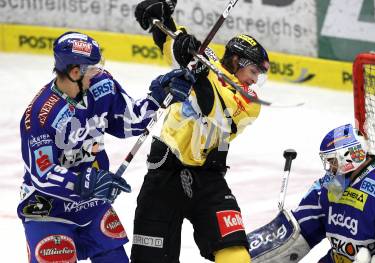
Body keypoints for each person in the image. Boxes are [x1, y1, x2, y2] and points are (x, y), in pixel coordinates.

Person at [17, 31, 195, 263]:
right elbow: (42, 174)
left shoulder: (102, 85)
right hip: (48, 210)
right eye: (91, 68)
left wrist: (160, 96)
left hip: (91, 205)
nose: (97, 72)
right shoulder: (41, 116)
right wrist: (85, 182)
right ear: (74, 73)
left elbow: (130, 121)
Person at [130, 1, 270, 262]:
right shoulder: (204, 59)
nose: (255, 80)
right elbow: (171, 45)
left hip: (208, 179)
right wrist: (161, 20)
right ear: (237, 61)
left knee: (236, 253)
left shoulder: (249, 102)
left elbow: (213, 108)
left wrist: (199, 72)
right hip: (164, 172)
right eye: (253, 72)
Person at [248, 124, 375, 263]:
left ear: (348, 156)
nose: (330, 167)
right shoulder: (335, 182)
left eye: (332, 161)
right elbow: (303, 224)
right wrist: (251, 249)